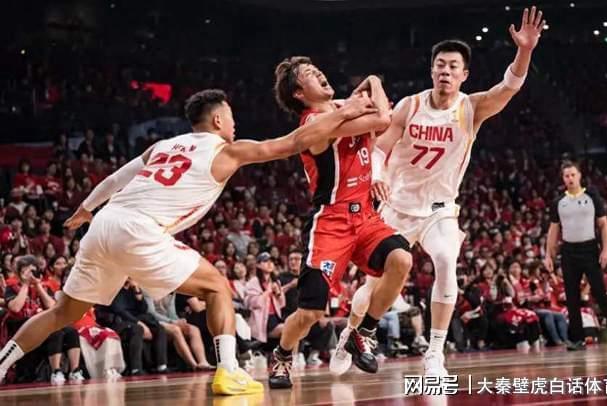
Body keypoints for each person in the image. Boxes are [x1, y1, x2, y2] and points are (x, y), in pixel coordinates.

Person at [0, 88, 376, 395]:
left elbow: (115, 179)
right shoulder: (227, 150)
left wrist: (85, 209)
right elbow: (293, 142)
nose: (235, 122)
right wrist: (345, 112)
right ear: (218, 121)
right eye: (231, 116)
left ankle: (2, 362)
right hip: (140, 228)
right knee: (217, 287)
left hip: (104, 223)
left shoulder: (163, 146)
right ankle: (228, 371)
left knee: (61, 313)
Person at [331, 6, 547, 377]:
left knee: (447, 260)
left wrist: (524, 50)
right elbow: (380, 148)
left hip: (439, 209)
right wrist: (377, 173)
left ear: (464, 75)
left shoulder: (472, 107)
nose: (445, 71)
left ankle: (435, 352)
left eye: (453, 66)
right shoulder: (410, 105)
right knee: (371, 287)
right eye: (440, 65)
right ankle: (350, 335)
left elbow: (509, 86)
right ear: (432, 71)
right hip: (397, 206)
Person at [269, 57, 413, 389]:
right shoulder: (315, 122)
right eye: (309, 75)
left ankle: (364, 332)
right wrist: (373, 79)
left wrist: (363, 92)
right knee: (310, 313)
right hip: (331, 221)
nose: (320, 73)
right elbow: (383, 117)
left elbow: (380, 122)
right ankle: (282, 354)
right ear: (299, 93)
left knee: (401, 259)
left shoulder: (341, 108)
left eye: (318, 69)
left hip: (365, 215)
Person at [544, 160, 607, 350]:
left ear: (579, 175)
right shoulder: (558, 202)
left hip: (590, 249)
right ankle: (577, 339)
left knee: (600, 293)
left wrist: (605, 250)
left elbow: (603, 225)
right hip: (568, 251)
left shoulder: (592, 196)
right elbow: (553, 230)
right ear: (563, 178)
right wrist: (548, 255)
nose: (570, 178)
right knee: (572, 297)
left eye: (573, 174)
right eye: (566, 176)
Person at [0, 255, 85, 384]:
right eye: (25, 271)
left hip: (42, 325)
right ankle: (56, 371)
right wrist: (25, 285)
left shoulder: (43, 286)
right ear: (19, 272)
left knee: (71, 331)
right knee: (55, 332)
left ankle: (75, 371)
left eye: (33, 271)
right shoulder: (12, 287)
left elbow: (53, 307)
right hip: (21, 327)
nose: (30, 275)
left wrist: (38, 285)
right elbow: (16, 308)